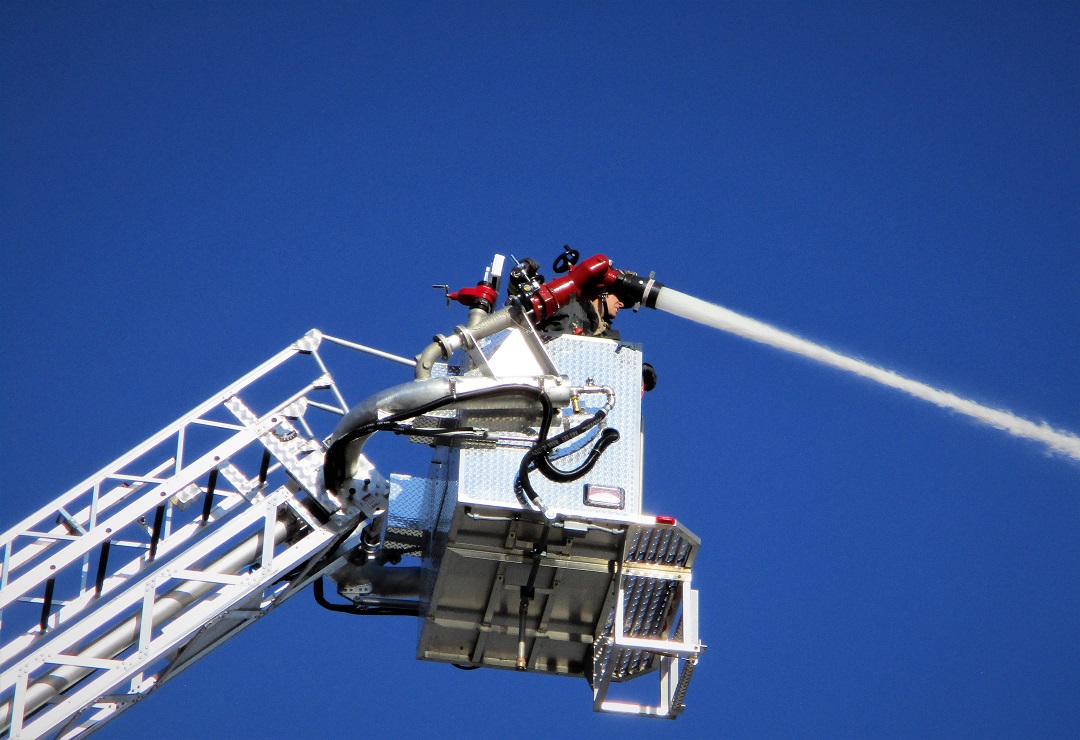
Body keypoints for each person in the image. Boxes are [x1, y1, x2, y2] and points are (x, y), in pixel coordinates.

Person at [536, 291, 625, 340]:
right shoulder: (568, 304)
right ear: (603, 292)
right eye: (619, 297)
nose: (622, 304)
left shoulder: (610, 339)